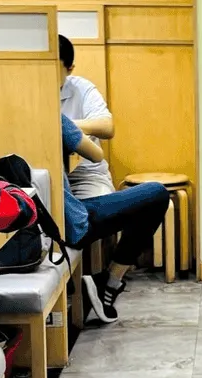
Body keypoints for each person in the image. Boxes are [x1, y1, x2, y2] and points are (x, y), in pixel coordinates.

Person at [61, 115, 170, 324]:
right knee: (156, 195)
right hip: (68, 226)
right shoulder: (51, 117)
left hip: (25, 231)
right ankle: (111, 281)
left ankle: (107, 283)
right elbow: (96, 155)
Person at [58, 34, 116, 197]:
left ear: (70, 69)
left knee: (96, 207)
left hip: (85, 175)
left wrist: (65, 126)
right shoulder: (28, 94)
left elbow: (107, 127)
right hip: (43, 175)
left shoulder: (81, 88)